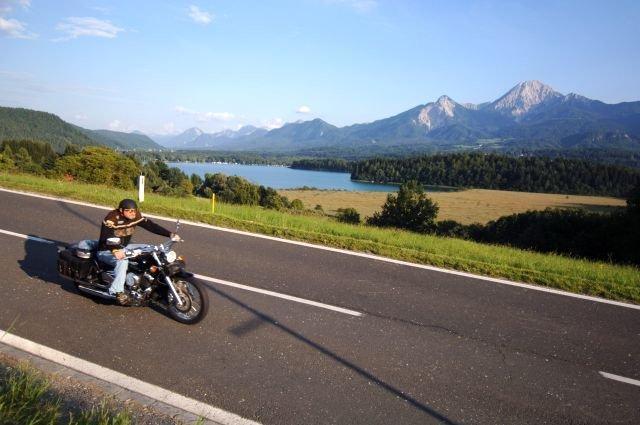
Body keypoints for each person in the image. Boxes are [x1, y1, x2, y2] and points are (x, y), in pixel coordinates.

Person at [97, 198, 180, 305]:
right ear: (122, 210)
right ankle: (117, 292)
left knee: (151, 249)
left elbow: (151, 225)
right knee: (123, 261)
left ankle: (149, 280)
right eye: (129, 211)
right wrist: (115, 251)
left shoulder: (135, 216)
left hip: (124, 247)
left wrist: (170, 234)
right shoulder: (111, 219)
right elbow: (106, 237)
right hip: (106, 250)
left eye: (134, 210)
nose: (133, 213)